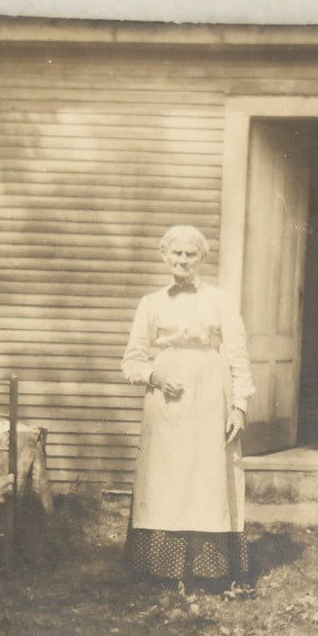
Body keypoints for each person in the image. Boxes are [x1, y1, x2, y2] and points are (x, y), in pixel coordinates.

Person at [121, 225, 255, 584]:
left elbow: (239, 356)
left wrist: (239, 405)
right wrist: (155, 377)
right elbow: (131, 361)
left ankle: (210, 569)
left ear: (202, 259)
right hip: (166, 400)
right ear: (165, 257)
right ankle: (160, 568)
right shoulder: (151, 304)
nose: (183, 260)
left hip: (212, 394)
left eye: (190, 254)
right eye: (176, 253)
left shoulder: (221, 301)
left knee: (207, 473)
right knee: (166, 474)